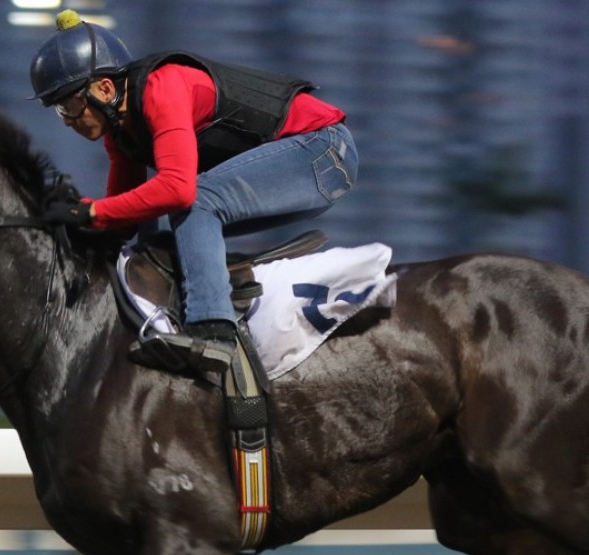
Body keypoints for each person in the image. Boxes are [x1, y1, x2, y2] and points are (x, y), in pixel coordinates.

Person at [30, 10, 359, 373]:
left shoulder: (162, 88)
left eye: (69, 105)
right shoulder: (121, 132)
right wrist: (77, 220)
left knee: (196, 202)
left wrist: (91, 211)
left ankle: (213, 331)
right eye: (59, 111)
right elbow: (127, 221)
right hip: (312, 159)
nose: (68, 121)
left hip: (324, 151)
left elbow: (178, 190)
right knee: (165, 229)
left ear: (104, 89)